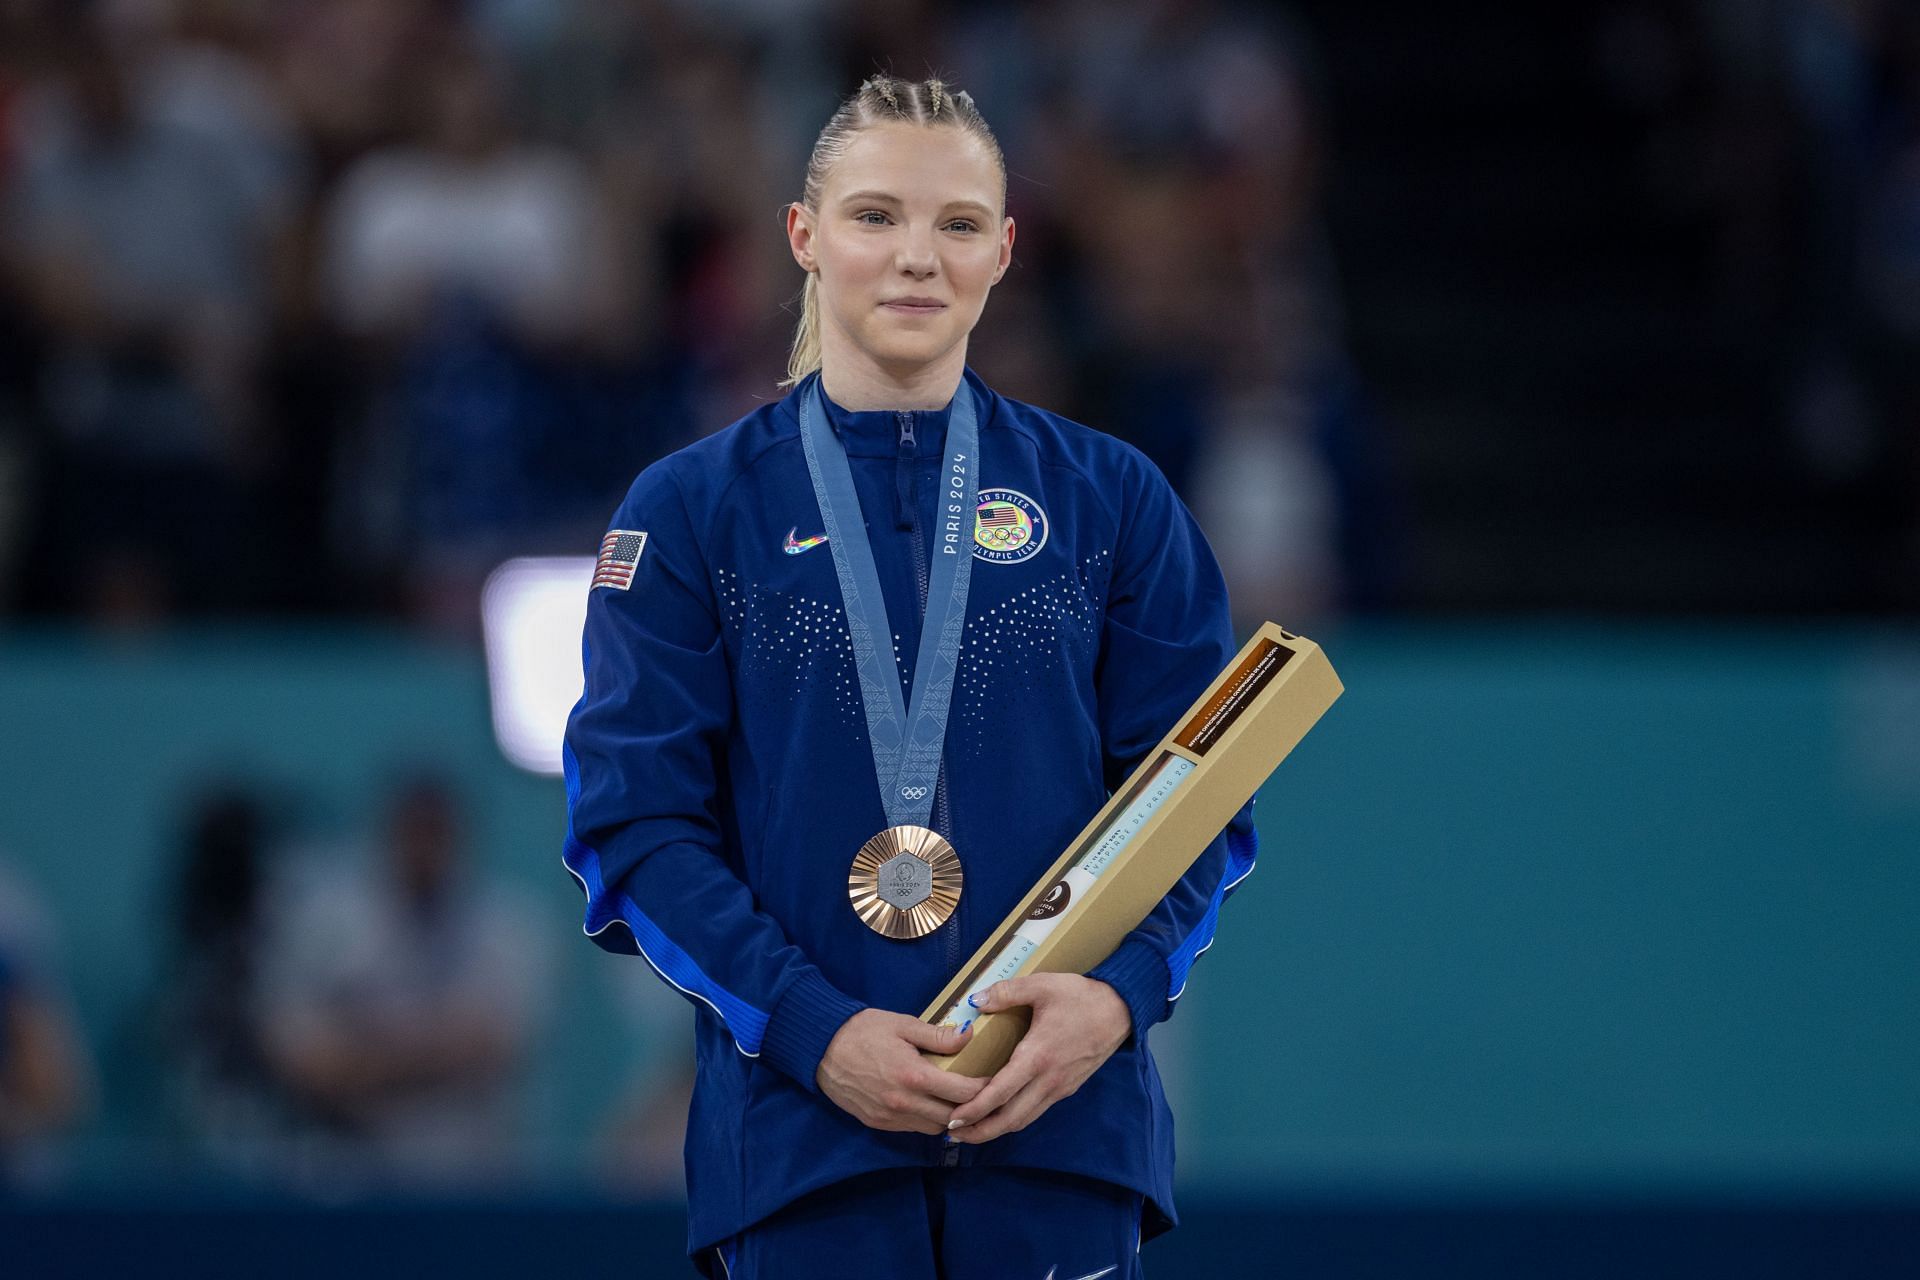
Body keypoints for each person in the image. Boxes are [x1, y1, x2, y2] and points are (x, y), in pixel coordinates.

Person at [562, 74, 1259, 1278]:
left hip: (1061, 1130)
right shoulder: (689, 514)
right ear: (805, 237)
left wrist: (1121, 993)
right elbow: (637, 828)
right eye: (875, 215)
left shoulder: (1112, 501)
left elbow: (1194, 802)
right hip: (802, 1139)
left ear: (1003, 250)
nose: (915, 258)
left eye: (955, 224)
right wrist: (813, 1029)